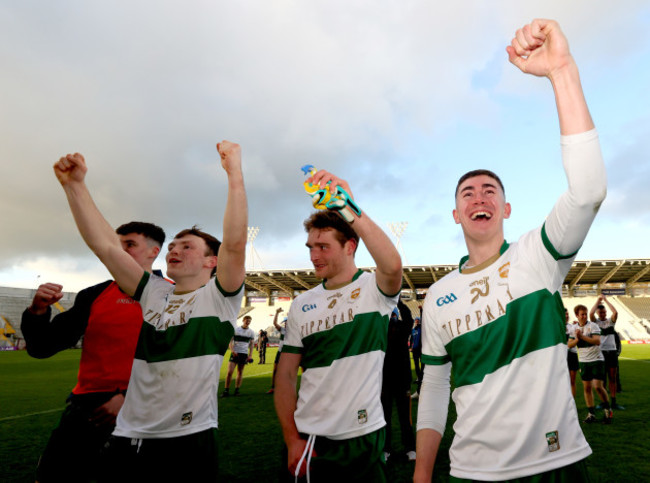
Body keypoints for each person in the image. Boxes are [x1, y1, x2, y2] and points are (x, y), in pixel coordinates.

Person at [414, 19, 607, 481]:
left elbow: (587, 192)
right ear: (456, 214)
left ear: (506, 207)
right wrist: (422, 473)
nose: (479, 197)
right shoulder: (437, 297)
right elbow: (436, 387)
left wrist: (561, 72)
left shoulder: (537, 256)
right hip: (472, 471)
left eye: (489, 190)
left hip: (555, 462)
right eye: (467, 193)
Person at [52, 140, 247, 482]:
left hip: (188, 437)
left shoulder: (219, 297)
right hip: (129, 435)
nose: (174, 250)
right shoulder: (152, 292)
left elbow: (234, 243)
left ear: (210, 262)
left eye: (187, 247)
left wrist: (234, 174)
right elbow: (106, 247)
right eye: (172, 246)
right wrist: (75, 186)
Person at [274, 171, 403, 482]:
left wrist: (349, 206)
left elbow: (393, 265)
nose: (314, 256)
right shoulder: (303, 303)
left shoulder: (374, 289)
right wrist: (292, 439)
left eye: (323, 246)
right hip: (312, 439)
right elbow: (286, 375)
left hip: (364, 434)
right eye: (310, 247)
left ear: (350, 246)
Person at [21, 221, 165, 483]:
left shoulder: (174, 295)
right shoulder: (94, 294)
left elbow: (181, 362)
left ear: (153, 252)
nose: (119, 250)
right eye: (116, 244)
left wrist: (129, 398)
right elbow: (42, 348)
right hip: (86, 410)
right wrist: (38, 312)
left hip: (148, 410)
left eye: (130, 244)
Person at [381, 300, 416, 463]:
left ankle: (409, 448)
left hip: (400, 380)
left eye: (393, 314)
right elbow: (407, 317)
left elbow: (408, 317)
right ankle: (387, 449)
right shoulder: (382, 328)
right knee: (385, 417)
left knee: (404, 417)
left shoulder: (403, 327)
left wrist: (397, 300)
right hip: (386, 380)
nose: (392, 317)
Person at [569, 305, 612, 423]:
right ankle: (591, 414)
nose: (584, 316)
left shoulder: (593, 326)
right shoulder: (574, 328)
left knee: (597, 386)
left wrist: (582, 336)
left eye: (585, 313)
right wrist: (577, 339)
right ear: (577, 315)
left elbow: (597, 341)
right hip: (583, 361)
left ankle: (608, 410)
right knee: (587, 388)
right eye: (582, 314)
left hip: (596, 360)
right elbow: (569, 344)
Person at [590, 295, 624, 409]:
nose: (603, 314)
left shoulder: (611, 321)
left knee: (612, 378)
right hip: (601, 353)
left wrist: (606, 300)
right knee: (602, 379)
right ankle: (604, 402)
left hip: (612, 352)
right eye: (601, 313)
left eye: (604, 312)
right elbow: (591, 314)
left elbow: (615, 312)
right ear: (598, 314)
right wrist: (597, 301)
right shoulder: (596, 323)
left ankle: (614, 402)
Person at [222, 315, 255, 396]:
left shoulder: (251, 332)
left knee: (240, 372)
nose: (248, 322)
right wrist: (232, 350)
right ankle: (226, 391)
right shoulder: (236, 330)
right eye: (247, 320)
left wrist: (250, 355)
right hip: (235, 353)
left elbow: (251, 344)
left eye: (249, 321)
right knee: (230, 372)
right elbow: (230, 341)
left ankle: (237, 391)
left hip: (244, 354)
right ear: (243, 320)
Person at [267, 307, 287, 394]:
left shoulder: (295, 331)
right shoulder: (282, 330)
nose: (285, 324)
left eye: (286, 322)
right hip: (280, 352)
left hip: (288, 353)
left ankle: (284, 388)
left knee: (286, 371)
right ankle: (273, 388)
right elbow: (274, 323)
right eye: (285, 322)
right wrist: (277, 313)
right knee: (275, 370)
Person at [565, 307, 579, 397]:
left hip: (572, 355)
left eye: (567, 314)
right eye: (564, 314)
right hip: (561, 356)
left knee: (572, 381)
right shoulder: (556, 327)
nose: (566, 316)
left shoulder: (572, 327)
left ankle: (572, 403)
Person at [409, 315, 423, 399]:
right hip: (414, 350)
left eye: (418, 320)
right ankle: (418, 377)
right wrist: (410, 346)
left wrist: (421, 311)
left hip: (420, 349)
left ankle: (421, 377)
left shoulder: (421, 328)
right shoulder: (413, 330)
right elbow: (411, 339)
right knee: (416, 364)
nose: (417, 321)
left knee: (422, 364)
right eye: (416, 320)